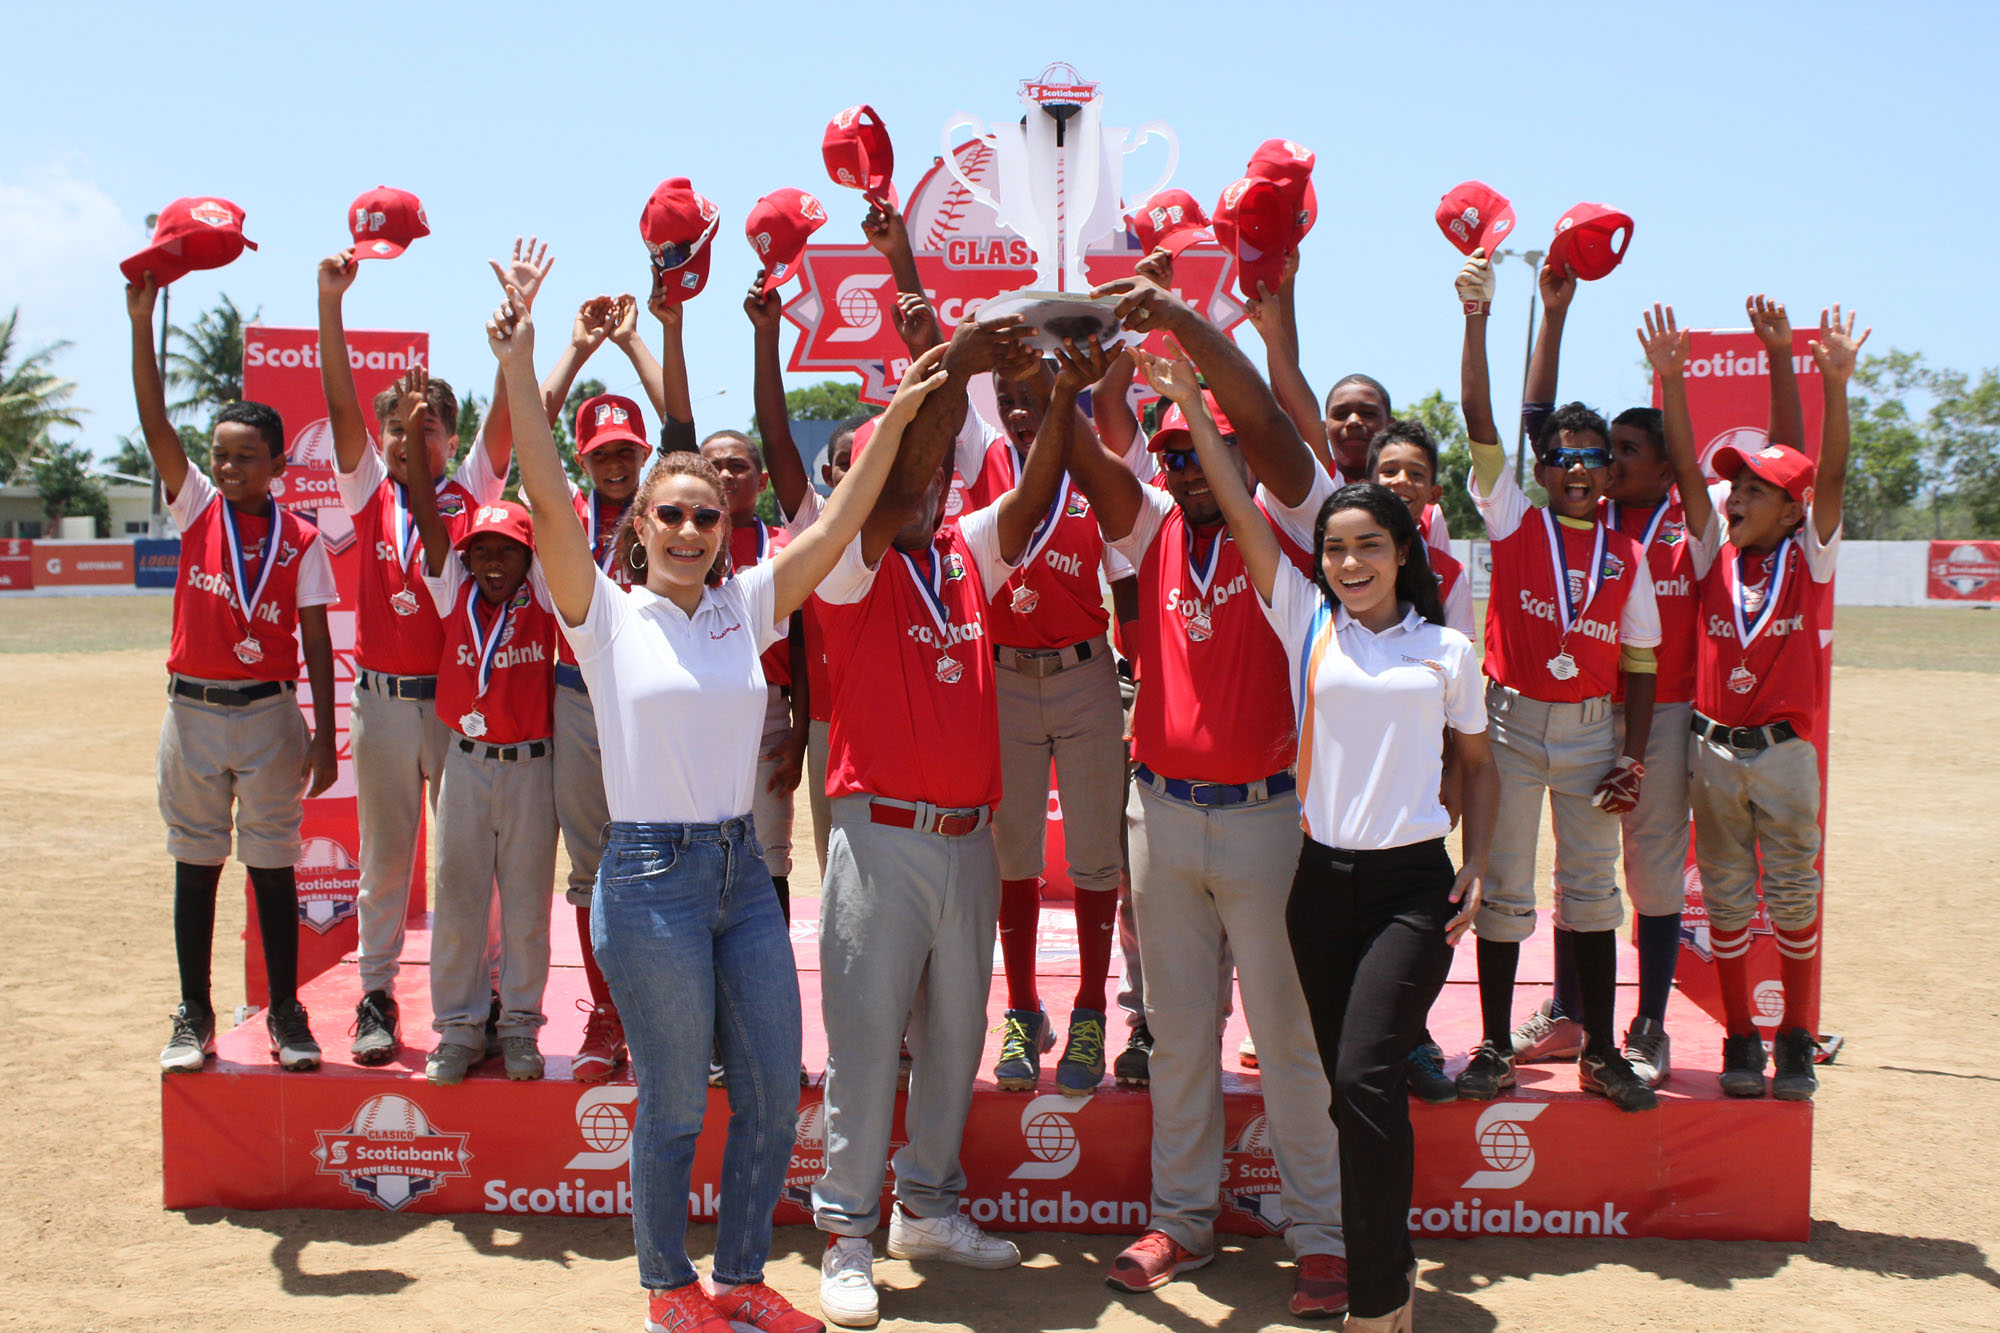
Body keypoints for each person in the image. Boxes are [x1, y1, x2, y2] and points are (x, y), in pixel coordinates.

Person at [495, 274, 948, 1333]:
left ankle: (740, 1277)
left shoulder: (746, 605)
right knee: (669, 1104)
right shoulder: (602, 614)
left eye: (705, 512)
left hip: (745, 872)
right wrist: (521, 362)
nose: (691, 528)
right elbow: (547, 493)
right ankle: (668, 1288)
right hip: (647, 879)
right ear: (640, 525)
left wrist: (907, 407)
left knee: (761, 1088)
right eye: (671, 514)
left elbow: (838, 523)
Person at [1143, 343, 1497, 1331]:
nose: (1346, 562)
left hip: (1408, 888)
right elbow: (1246, 512)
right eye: (1335, 549)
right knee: (1354, 1093)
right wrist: (1190, 410)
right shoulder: (1305, 619)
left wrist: (1477, 864)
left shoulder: (1445, 648)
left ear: (1402, 551)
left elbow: (1479, 763)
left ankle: (1373, 1290)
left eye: (1366, 548)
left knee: (1359, 1076)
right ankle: (1378, 1260)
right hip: (1317, 885)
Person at [1065, 272, 1348, 1317]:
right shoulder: (1151, 531)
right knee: (1177, 1035)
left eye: (1197, 449)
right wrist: (1060, 375)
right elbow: (1096, 467)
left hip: (1269, 816)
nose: (1180, 467)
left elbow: (1273, 428)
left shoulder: (1288, 531)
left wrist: (1184, 333)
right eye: (1171, 451)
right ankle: (1181, 1220)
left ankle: (1319, 1230)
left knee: (1288, 1039)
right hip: (1162, 813)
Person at [812, 310, 1075, 1329]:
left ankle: (924, 1206)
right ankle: (845, 1231)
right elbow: (910, 462)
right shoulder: (842, 564)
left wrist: (1059, 399)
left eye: (927, 476)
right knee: (869, 1038)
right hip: (880, 836)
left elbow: (1035, 493)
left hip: (967, 838)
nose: (918, 485)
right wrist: (954, 374)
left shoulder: (963, 550)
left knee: (957, 1035)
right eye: (882, 472)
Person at [317, 240, 540, 1066]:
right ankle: (376, 994)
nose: (415, 437)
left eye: (431, 426)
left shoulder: (473, 492)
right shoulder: (370, 490)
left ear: (450, 437)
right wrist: (331, 305)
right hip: (380, 701)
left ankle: (478, 999)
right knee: (386, 857)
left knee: (466, 860)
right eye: (400, 428)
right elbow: (341, 409)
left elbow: (509, 414)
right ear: (383, 438)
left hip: (458, 703)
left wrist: (518, 320)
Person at [1449, 249, 1662, 1113]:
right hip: (1507, 729)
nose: (1578, 469)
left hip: (1589, 736)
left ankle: (1603, 1050)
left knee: (1591, 894)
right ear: (1542, 468)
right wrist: (1478, 316)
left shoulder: (1630, 554)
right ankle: (1497, 1045)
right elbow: (1478, 415)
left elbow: (1642, 665)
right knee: (1502, 890)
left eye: (1594, 458)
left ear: (1612, 474)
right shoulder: (1513, 519)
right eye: (1564, 455)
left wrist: (1634, 756)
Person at [1501, 260, 1713, 1089]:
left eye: (1627, 451)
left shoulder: (1683, 524)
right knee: (1577, 869)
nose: (1607, 463)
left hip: (1657, 718)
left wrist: (1673, 386)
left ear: (1665, 467)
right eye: (1601, 452)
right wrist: (1552, 318)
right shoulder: (1583, 520)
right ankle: (1569, 1011)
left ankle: (1649, 1020)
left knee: (1649, 869)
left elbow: (1692, 469)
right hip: (1580, 713)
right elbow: (1538, 427)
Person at [1647, 301, 1866, 1101]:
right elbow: (1681, 461)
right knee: (1731, 902)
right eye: (1733, 484)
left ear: (1792, 510)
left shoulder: (1811, 559)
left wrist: (1830, 385)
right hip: (1711, 753)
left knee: (1796, 900)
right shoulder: (1711, 554)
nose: (1733, 496)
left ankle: (1797, 1040)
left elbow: (1830, 472)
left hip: (1785, 757)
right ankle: (1743, 1039)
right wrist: (1672, 382)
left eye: (1754, 489)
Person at [130, 272, 339, 1075]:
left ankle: (285, 1009)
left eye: (246, 457)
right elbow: (155, 423)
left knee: (273, 863)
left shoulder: (302, 538)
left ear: (279, 463)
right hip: (191, 711)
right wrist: (143, 324)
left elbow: (316, 640)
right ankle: (193, 1010)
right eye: (220, 454)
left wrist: (321, 731)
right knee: (195, 859)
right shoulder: (195, 509)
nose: (228, 468)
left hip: (268, 714)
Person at [529, 289, 694, 1083]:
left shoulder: (669, 511)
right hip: (578, 696)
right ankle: (604, 1013)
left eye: (629, 451)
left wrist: (633, 344)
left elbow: (684, 429)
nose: (619, 463)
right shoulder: (560, 514)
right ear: (584, 460)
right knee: (590, 866)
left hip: (658, 699)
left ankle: (663, 1010)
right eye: (604, 454)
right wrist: (576, 350)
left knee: (666, 851)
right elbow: (529, 426)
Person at [396, 365, 559, 1087]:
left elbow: (545, 510)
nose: (493, 561)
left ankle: (519, 1028)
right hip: (463, 765)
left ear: (530, 556)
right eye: (482, 551)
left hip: (533, 768)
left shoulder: (546, 596)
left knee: (525, 909)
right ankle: (460, 1030)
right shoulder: (451, 588)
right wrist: (410, 427)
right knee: (458, 906)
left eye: (507, 551)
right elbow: (430, 512)